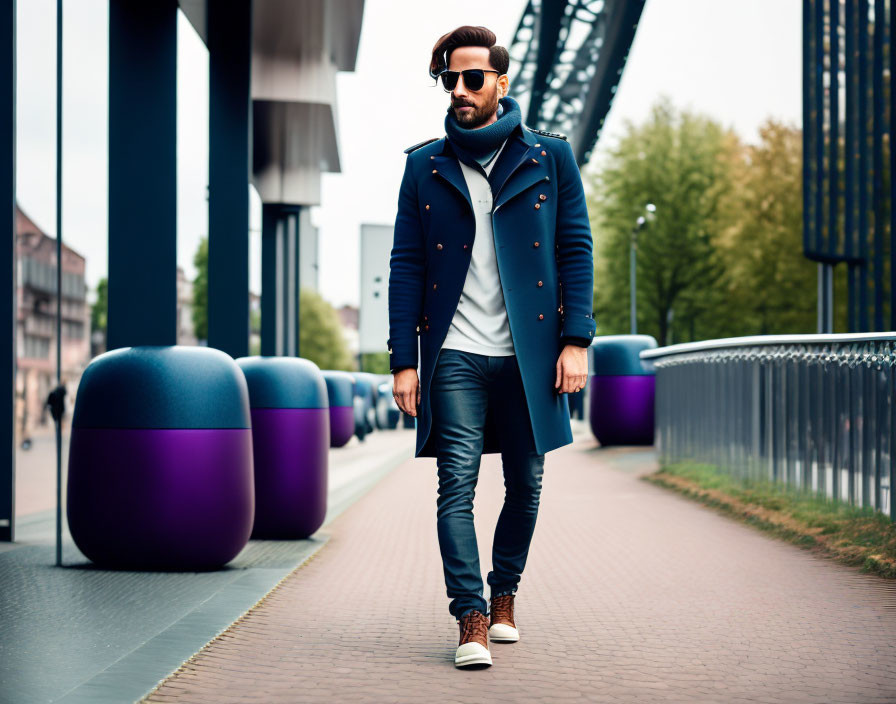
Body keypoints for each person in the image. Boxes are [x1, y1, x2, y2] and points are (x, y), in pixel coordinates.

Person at [387, 25, 595, 668]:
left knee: (526, 485)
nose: (460, 89)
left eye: (472, 78)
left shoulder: (549, 157)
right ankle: (471, 617)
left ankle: (504, 595)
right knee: (456, 487)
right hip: (454, 354)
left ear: (501, 82)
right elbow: (406, 266)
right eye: (449, 79)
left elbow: (574, 248)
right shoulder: (424, 166)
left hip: (530, 354)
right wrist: (402, 359)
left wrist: (576, 340)